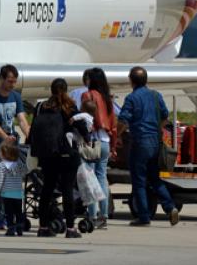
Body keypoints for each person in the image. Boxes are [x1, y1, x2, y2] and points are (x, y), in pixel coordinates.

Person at [118, 66, 180, 227]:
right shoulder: (155, 95)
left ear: (131, 81)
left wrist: (117, 135)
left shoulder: (131, 98)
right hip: (155, 143)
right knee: (155, 178)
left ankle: (144, 216)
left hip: (139, 142)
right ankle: (170, 207)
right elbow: (165, 117)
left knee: (139, 181)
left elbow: (123, 121)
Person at [31, 78, 84, 238]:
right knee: (68, 190)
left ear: (51, 90)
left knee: (47, 189)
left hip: (47, 154)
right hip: (66, 154)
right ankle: (70, 228)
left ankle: (43, 227)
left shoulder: (41, 106)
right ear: (66, 90)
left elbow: (34, 127)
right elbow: (80, 126)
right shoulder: (69, 106)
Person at [0, 64, 31, 230]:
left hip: (11, 145)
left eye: (14, 81)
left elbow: (22, 120)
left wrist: (30, 135)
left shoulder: (16, 97)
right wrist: (5, 138)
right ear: (1, 79)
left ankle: (10, 215)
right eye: (9, 81)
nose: (12, 85)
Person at [80, 67, 116, 228]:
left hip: (91, 142)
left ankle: (92, 215)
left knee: (90, 179)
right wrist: (114, 146)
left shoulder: (88, 96)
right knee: (102, 178)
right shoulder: (108, 98)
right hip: (106, 142)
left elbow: (84, 120)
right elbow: (113, 125)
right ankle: (104, 215)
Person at [0, 141, 27, 236]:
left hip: (7, 193)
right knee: (18, 211)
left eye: (0, 152)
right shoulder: (19, 164)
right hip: (18, 193)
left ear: (5, 154)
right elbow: (25, 171)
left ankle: (11, 228)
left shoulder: (1, 166)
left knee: (9, 212)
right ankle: (20, 227)